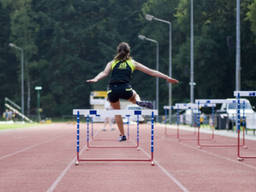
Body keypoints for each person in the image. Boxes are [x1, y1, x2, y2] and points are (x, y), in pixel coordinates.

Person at [87, 42, 179, 141]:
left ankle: (122, 135)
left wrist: (96, 79)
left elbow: (104, 73)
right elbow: (151, 72)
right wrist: (167, 77)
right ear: (128, 52)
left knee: (117, 113)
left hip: (112, 90)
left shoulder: (112, 63)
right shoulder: (133, 62)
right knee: (134, 94)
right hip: (125, 89)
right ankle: (138, 102)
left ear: (118, 51)